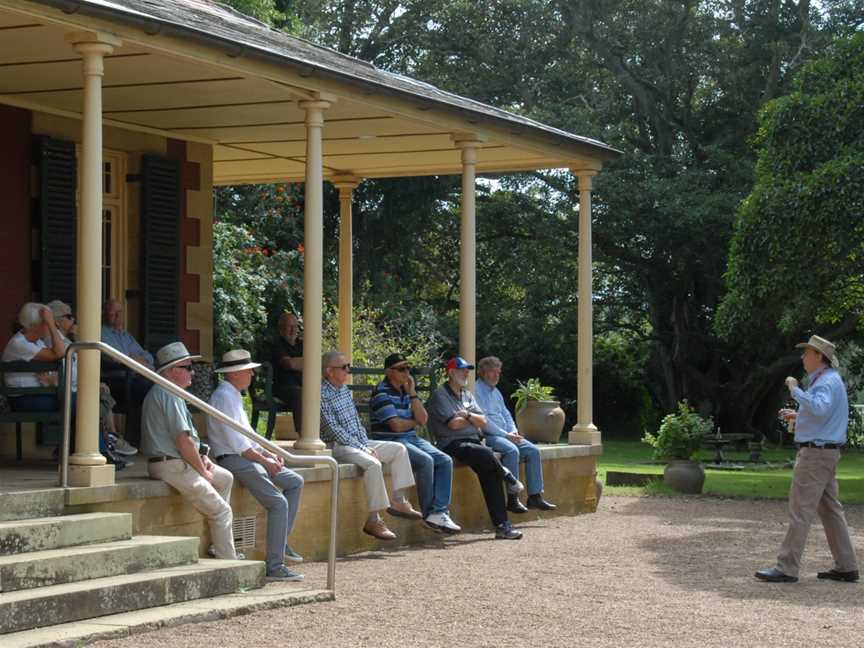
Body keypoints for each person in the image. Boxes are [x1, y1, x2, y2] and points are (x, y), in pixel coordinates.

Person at [755, 335, 859, 583]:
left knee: (801, 510)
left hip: (815, 455)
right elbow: (821, 414)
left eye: (807, 353)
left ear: (819, 357)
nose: (803, 357)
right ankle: (847, 566)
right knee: (831, 510)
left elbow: (820, 408)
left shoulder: (824, 383)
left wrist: (794, 389)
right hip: (826, 453)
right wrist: (799, 416)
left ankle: (787, 567)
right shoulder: (830, 381)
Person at [208, 349, 305, 581]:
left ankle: (281, 543)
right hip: (233, 459)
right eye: (249, 370)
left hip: (244, 456)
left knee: (295, 481)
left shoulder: (233, 395)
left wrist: (270, 453)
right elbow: (238, 444)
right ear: (236, 373)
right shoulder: (224, 397)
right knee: (278, 503)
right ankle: (275, 566)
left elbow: (249, 435)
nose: (253, 374)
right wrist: (265, 460)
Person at [142, 341, 242, 560]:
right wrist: (202, 471)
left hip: (176, 461)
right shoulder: (168, 393)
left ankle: (218, 544)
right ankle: (229, 564)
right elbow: (183, 441)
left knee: (225, 478)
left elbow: (189, 442)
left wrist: (203, 457)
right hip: (170, 464)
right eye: (187, 367)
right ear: (171, 371)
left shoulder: (170, 391)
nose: (193, 372)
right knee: (222, 511)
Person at [319, 350, 423, 540]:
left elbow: (356, 422)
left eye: (348, 366)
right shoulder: (321, 394)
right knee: (373, 464)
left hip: (357, 442)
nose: (348, 371)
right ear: (329, 371)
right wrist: (363, 448)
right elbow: (334, 430)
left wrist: (364, 443)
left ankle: (399, 500)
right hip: (335, 445)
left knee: (399, 449)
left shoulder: (343, 389)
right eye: (344, 367)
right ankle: (374, 519)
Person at [426, 357, 524, 540]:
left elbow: (483, 421)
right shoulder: (440, 395)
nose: (466, 373)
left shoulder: (467, 395)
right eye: (462, 370)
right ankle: (508, 476)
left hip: (474, 443)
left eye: (467, 370)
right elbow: (453, 425)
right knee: (487, 453)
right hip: (451, 443)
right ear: (451, 373)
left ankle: (503, 526)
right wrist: (472, 419)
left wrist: (467, 415)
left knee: (490, 471)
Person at [369, 353, 461, 534]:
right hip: (392, 441)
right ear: (389, 371)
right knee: (426, 461)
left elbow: (423, 419)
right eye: (401, 369)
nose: (407, 373)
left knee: (444, 460)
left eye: (408, 368)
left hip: (411, 438)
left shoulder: (406, 391)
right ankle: (429, 515)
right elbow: (396, 427)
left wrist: (412, 393)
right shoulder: (381, 392)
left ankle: (439, 512)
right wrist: (414, 422)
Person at [475, 356, 556, 513]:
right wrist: (507, 435)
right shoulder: (476, 390)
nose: (496, 375)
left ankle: (535, 497)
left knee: (533, 451)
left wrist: (513, 431)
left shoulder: (496, 392)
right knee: (512, 450)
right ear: (482, 372)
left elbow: (506, 415)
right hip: (490, 436)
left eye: (498, 372)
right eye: (492, 372)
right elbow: (484, 422)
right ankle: (513, 499)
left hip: (507, 434)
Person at [100, 299, 153, 447]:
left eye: (120, 312)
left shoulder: (126, 336)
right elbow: (116, 358)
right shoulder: (101, 333)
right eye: (113, 313)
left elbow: (148, 357)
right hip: (115, 380)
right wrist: (133, 359)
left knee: (154, 388)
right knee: (148, 389)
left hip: (132, 378)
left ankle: (142, 438)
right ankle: (136, 439)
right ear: (105, 314)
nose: (117, 316)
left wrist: (134, 359)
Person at [2, 302, 67, 411]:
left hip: (36, 394)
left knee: (76, 401)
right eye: (46, 321)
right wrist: (51, 324)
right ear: (35, 325)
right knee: (75, 403)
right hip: (23, 399)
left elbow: (59, 354)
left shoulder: (36, 342)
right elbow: (60, 353)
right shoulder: (19, 343)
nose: (54, 324)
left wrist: (51, 381)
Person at [271, 312, 303, 432]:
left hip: (302, 384)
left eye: (295, 326)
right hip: (282, 388)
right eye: (289, 326)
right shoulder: (276, 345)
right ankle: (304, 434)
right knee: (300, 393)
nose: (293, 330)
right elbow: (289, 364)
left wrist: (298, 362)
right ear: (281, 328)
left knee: (321, 391)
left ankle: (325, 434)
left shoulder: (302, 344)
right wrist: (306, 362)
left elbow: (316, 360)